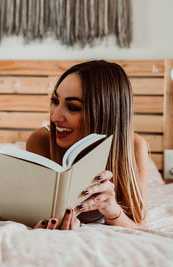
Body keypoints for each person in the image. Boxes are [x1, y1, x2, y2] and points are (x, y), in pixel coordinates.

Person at [26, 60, 149, 230]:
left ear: (105, 114)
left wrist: (113, 212)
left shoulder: (135, 147)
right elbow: (31, 213)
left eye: (72, 107)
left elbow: (139, 225)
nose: (55, 117)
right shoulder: (41, 141)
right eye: (55, 101)